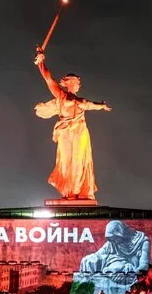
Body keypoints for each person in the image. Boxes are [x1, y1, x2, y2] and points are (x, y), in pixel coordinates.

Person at [33, 49, 111, 200]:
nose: (79, 85)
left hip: (80, 132)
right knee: (66, 161)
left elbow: (90, 105)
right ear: (70, 83)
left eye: (79, 84)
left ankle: (79, 192)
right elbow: (49, 80)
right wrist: (41, 62)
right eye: (77, 83)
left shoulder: (80, 101)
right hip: (65, 132)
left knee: (79, 161)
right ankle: (68, 193)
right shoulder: (61, 96)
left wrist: (101, 105)